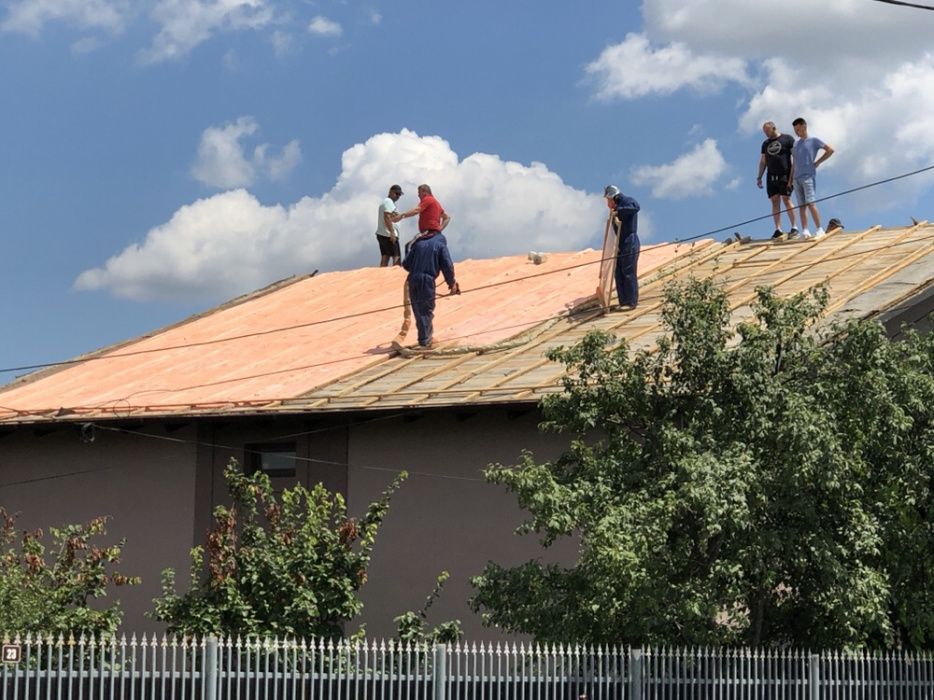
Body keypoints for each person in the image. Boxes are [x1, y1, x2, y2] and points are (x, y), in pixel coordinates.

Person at [399, 185, 459, 347]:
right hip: (426, 279)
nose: (419, 196)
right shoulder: (439, 242)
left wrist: (401, 216)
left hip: (413, 279)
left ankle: (423, 340)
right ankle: (425, 342)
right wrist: (452, 283)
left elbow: (406, 264)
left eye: (419, 193)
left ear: (425, 192)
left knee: (419, 312)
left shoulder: (417, 243)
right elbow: (446, 264)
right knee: (426, 311)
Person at [791, 117, 835, 239]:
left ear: (804, 126)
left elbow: (830, 150)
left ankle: (819, 229)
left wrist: (818, 162)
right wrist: (790, 180)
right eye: (795, 130)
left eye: (798, 129)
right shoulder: (796, 144)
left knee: (811, 202)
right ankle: (805, 230)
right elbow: (794, 162)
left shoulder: (814, 140)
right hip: (796, 178)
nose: (797, 132)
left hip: (808, 176)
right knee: (801, 205)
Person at [756, 121, 798, 239]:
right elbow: (763, 161)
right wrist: (759, 176)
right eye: (764, 132)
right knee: (774, 201)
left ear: (774, 128)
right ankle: (778, 229)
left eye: (767, 131)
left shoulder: (787, 139)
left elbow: (795, 157)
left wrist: (792, 176)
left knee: (786, 199)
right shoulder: (765, 144)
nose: (766, 134)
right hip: (771, 176)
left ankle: (794, 227)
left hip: (785, 174)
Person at [604, 185, 641, 310]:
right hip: (620, 243)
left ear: (615, 198)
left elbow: (636, 207)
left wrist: (619, 211)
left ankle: (631, 301)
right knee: (618, 271)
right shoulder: (616, 209)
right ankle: (623, 301)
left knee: (628, 271)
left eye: (608, 201)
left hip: (629, 241)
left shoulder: (627, 202)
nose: (608, 204)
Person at [375, 184, 404, 266]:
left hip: (382, 233)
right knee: (396, 257)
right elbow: (387, 216)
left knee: (385, 256)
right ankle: (396, 276)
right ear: (390, 192)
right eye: (396, 193)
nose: (398, 196)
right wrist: (392, 232)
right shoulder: (388, 202)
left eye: (399, 194)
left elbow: (390, 216)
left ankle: (381, 276)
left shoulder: (386, 202)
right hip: (388, 234)